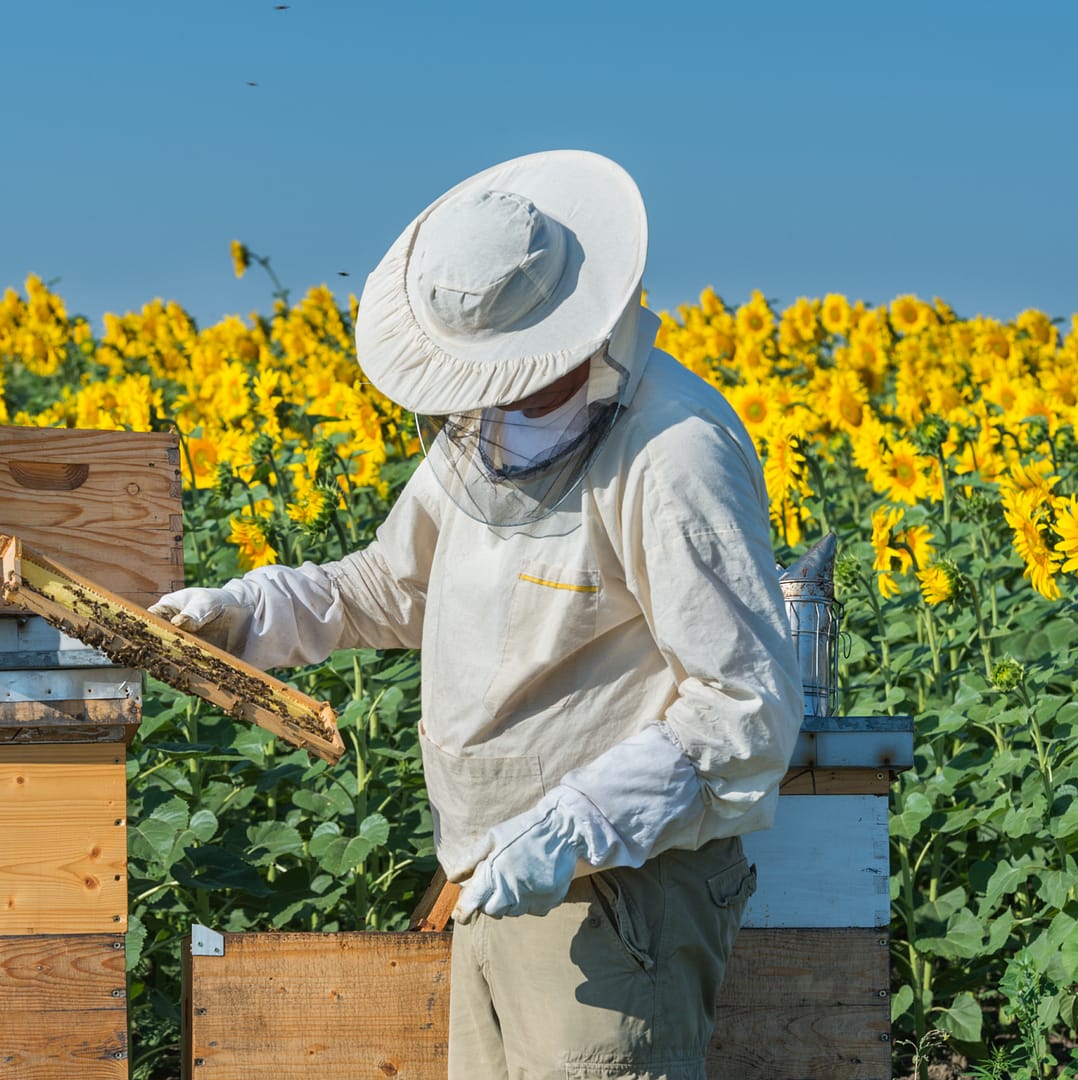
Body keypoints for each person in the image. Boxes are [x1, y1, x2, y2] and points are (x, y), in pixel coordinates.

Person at [152, 149, 803, 1080]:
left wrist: (573, 824)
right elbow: (393, 583)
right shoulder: (485, 427)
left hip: (620, 896)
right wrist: (245, 613)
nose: (482, 398)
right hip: (489, 877)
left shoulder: (674, 454)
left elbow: (745, 708)